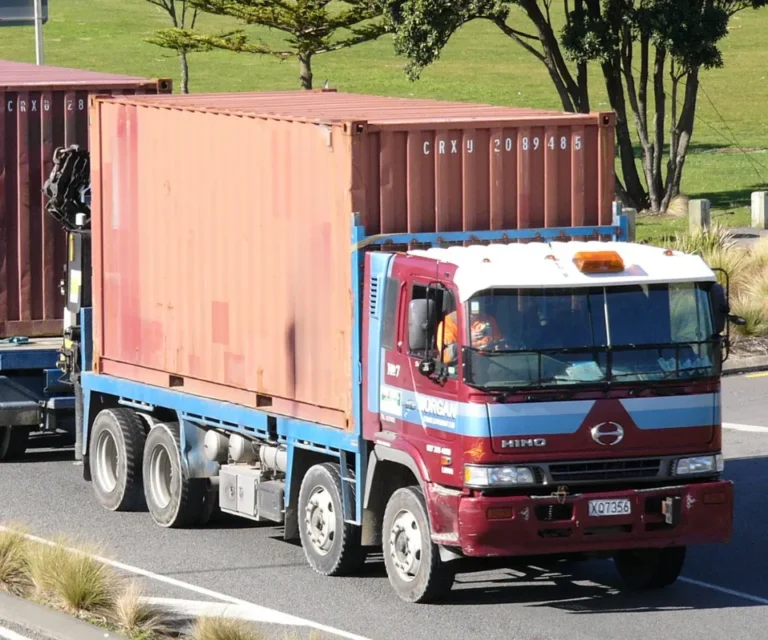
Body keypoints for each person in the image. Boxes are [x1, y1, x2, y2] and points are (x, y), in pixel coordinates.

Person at [436, 307, 504, 365]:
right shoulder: (449, 323)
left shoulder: (488, 319)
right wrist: (468, 339)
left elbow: (500, 343)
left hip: (490, 362)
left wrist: (498, 346)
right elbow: (446, 356)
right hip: (464, 367)